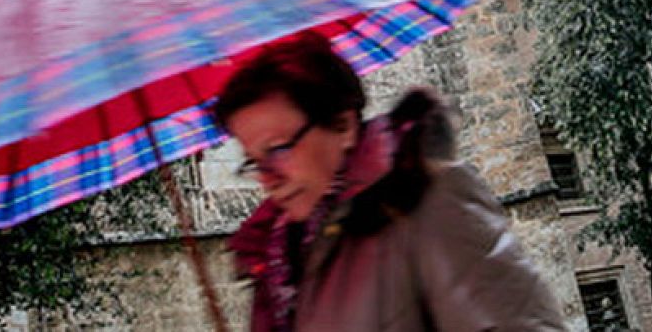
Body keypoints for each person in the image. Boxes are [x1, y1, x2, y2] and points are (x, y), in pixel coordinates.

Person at [214, 31, 565, 332]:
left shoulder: (427, 200)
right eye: (253, 161)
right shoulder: (278, 261)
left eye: (278, 149)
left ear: (343, 126)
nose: (268, 179)